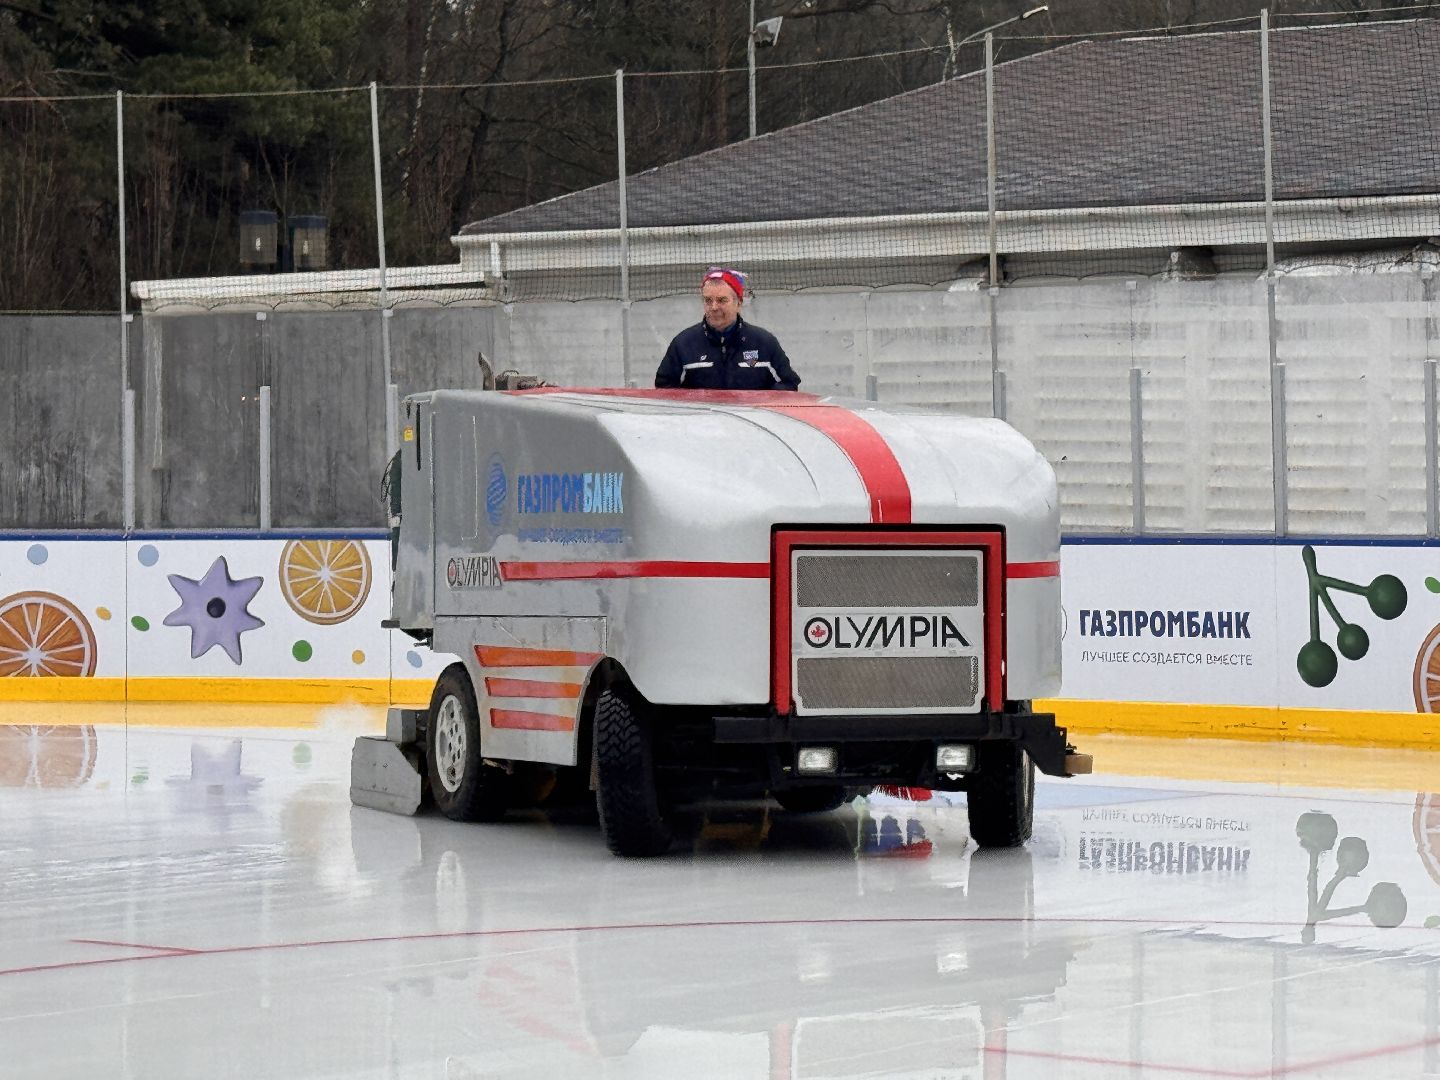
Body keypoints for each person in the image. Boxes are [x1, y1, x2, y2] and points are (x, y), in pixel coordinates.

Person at [655, 267, 801, 390]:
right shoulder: (683, 344)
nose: (714, 307)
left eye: (722, 300)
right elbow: (664, 388)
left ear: (739, 303)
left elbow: (789, 384)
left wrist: (758, 406)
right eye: (708, 300)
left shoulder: (764, 343)